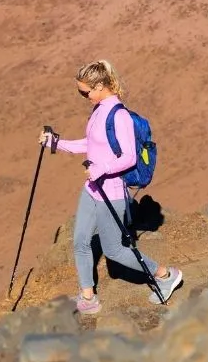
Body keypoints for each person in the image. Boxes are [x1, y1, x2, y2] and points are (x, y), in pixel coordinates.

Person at [39, 59, 182, 313]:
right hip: (92, 189)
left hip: (112, 192)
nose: (84, 96)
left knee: (114, 250)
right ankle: (88, 298)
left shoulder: (120, 116)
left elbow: (128, 157)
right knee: (81, 241)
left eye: (86, 92)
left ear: (102, 86)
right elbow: (92, 144)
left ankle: (165, 275)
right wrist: (56, 143)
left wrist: (100, 169)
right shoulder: (99, 111)